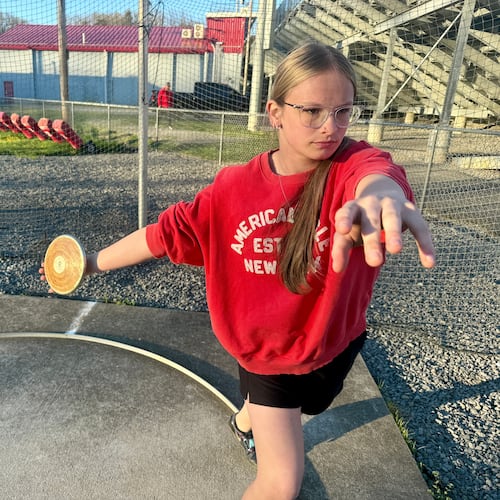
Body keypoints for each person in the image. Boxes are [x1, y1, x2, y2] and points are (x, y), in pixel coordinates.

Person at [41, 42, 435, 499]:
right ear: (276, 112)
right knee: (281, 481)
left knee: (313, 403)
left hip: (334, 338)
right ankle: (257, 415)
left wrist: (381, 193)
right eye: (312, 111)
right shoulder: (233, 189)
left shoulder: (351, 166)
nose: (331, 128)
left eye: (343, 111)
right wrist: (90, 263)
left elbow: (377, 173)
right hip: (265, 355)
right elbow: (162, 235)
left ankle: (245, 419)